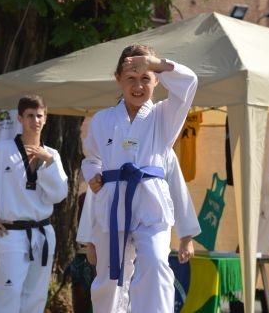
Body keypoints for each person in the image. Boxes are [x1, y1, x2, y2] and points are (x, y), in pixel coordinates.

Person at [81, 43, 198, 312]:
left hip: (151, 205)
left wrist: (155, 63)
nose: (138, 86)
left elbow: (190, 81)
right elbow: (91, 158)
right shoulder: (102, 120)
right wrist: (93, 174)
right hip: (112, 203)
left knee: (156, 265)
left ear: (156, 81)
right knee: (110, 280)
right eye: (131, 78)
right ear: (118, 79)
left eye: (145, 78)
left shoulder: (165, 116)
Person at [0, 95, 68, 313]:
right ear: (20, 118)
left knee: (35, 296)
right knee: (8, 294)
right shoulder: (2, 151)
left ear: (46, 118)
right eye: (30, 115)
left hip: (42, 232)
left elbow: (59, 195)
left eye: (39, 115)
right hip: (10, 233)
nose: (35, 120)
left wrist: (48, 162)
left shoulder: (53, 155)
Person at [77, 149, 201, 312]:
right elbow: (98, 192)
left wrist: (186, 236)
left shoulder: (160, 144)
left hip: (153, 219)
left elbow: (177, 188)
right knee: (110, 280)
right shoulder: (110, 141)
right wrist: (90, 241)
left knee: (155, 266)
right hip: (114, 223)